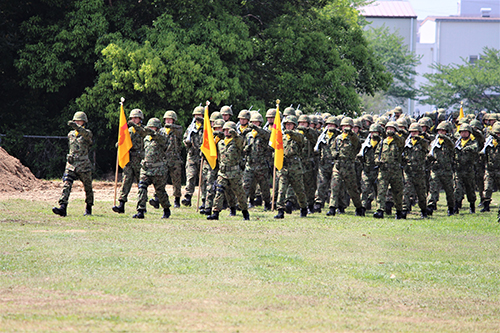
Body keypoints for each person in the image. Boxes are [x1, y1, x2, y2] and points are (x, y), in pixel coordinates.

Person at [52, 111, 94, 217]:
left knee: (88, 187)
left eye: (79, 121)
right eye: (75, 121)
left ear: (84, 122)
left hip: (83, 165)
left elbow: (87, 136)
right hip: (71, 164)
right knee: (66, 185)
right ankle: (63, 207)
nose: (77, 123)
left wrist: (77, 127)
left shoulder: (87, 133)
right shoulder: (71, 134)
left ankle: (88, 208)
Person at [128, 118, 171, 219]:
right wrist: (135, 126)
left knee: (160, 191)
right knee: (142, 187)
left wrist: (150, 131)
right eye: (150, 127)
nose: (151, 129)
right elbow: (142, 133)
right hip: (146, 168)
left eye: (153, 127)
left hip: (158, 169)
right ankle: (141, 210)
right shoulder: (146, 138)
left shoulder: (162, 137)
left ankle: (166, 209)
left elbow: (160, 138)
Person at [207, 122, 250, 220]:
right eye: (225, 130)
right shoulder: (221, 142)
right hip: (222, 173)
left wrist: (234, 133)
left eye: (228, 130)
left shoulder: (237, 142)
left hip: (234, 173)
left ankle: (245, 212)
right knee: (219, 192)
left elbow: (240, 141)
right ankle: (215, 213)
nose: (226, 132)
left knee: (239, 194)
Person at [326, 117, 364, 217]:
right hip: (338, 166)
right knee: (334, 187)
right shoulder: (338, 138)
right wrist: (334, 153)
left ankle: (359, 207)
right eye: (344, 126)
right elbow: (332, 147)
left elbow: (357, 144)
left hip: (349, 168)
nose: (345, 128)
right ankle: (332, 208)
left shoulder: (353, 138)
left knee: (353, 190)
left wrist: (351, 134)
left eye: (348, 126)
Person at [274, 115, 308, 219]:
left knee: (299, 191)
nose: (288, 126)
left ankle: (303, 208)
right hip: (284, 167)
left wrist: (291, 133)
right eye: (286, 124)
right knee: (281, 190)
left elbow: (301, 140)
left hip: (295, 168)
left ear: (294, 125)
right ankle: (280, 210)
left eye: (290, 124)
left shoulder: (299, 136)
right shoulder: (281, 137)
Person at [112, 109, 145, 214]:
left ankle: (142, 205)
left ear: (140, 119)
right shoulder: (128, 131)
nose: (134, 120)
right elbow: (122, 142)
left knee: (142, 183)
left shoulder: (143, 130)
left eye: (136, 118)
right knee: (126, 181)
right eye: (132, 118)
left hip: (140, 159)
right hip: (129, 159)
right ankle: (121, 204)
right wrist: (119, 145)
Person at [149, 110, 184, 209]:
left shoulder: (177, 130)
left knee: (176, 181)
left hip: (175, 159)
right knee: (160, 181)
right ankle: (157, 199)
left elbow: (180, 130)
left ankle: (177, 200)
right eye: (167, 119)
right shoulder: (161, 131)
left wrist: (171, 127)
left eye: (170, 119)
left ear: (174, 120)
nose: (168, 121)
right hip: (163, 159)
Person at [373, 121, 405, 219]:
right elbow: (376, 153)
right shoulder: (383, 141)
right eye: (388, 128)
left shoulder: (399, 141)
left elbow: (401, 143)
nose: (389, 130)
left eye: (391, 128)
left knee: (397, 192)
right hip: (384, 170)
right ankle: (380, 210)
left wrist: (394, 135)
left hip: (395, 170)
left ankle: (399, 211)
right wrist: (377, 160)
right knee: (381, 191)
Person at [243, 113, 272, 210]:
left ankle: (267, 203)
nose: (254, 124)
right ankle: (244, 204)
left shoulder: (264, 133)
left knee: (264, 187)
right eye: (252, 122)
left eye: (256, 122)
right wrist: (246, 149)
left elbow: (268, 136)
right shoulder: (248, 134)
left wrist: (256, 128)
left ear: (260, 123)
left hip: (261, 165)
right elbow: (243, 147)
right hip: (250, 164)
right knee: (246, 185)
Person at [426, 121, 455, 216]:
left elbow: (452, 146)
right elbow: (429, 153)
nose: (441, 132)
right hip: (436, 169)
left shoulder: (450, 141)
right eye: (439, 131)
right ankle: (430, 206)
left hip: (446, 170)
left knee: (449, 191)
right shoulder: (434, 142)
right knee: (433, 189)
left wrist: (444, 138)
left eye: (443, 131)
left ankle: (451, 207)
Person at [401, 123, 429, 218]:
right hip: (408, 171)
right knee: (406, 191)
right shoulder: (407, 142)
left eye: (415, 132)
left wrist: (420, 139)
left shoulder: (423, 142)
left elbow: (426, 146)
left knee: (421, 193)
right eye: (412, 132)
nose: (413, 134)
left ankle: (423, 210)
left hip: (419, 172)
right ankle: (404, 210)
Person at [453, 123, 478, 214]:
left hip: (468, 170)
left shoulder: (473, 142)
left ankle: (472, 206)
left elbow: (475, 148)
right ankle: (456, 206)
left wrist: (466, 148)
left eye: (466, 132)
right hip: (458, 170)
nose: (463, 134)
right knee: (457, 189)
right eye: (462, 132)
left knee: (470, 188)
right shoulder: (457, 142)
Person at [182, 106, 204, 206]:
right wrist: (187, 142)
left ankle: (204, 199)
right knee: (190, 177)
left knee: (203, 179)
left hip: (202, 157)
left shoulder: (206, 128)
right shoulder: (191, 127)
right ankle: (188, 196)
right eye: (196, 115)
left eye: (199, 115)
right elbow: (185, 138)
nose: (197, 117)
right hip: (192, 156)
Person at [358, 123, 382, 212]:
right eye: (372, 132)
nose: (373, 134)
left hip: (379, 171)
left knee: (379, 191)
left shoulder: (383, 143)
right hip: (367, 170)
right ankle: (362, 208)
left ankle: (380, 209)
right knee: (365, 190)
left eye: (375, 132)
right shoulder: (366, 143)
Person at [480, 122, 500, 221]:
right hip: (490, 169)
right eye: (496, 133)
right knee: (487, 188)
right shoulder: (489, 142)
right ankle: (486, 206)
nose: (497, 135)